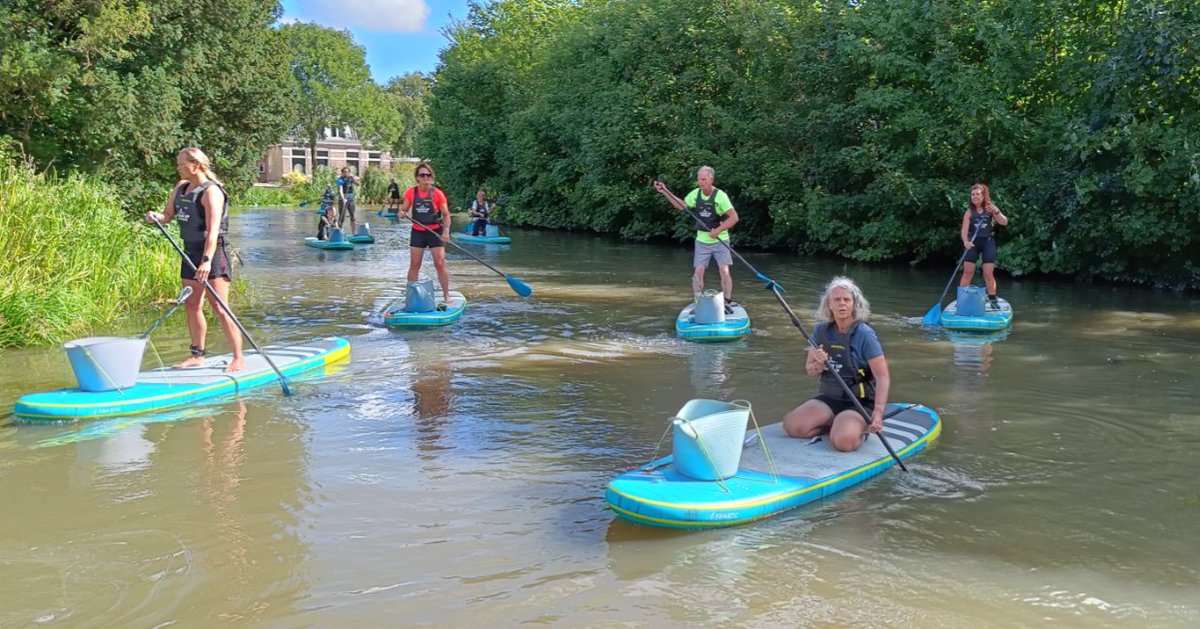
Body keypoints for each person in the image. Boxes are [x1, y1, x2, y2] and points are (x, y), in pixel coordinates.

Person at [144, 147, 244, 372]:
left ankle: (238, 357)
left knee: (219, 306)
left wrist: (207, 261)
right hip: (189, 252)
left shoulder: (212, 192)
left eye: (181, 164)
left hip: (213, 253)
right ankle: (197, 355)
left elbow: (213, 230)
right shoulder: (180, 188)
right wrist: (156, 217)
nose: (177, 168)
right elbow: (168, 215)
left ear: (195, 165)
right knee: (192, 304)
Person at [782, 277, 890, 452]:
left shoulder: (865, 334)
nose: (842, 304)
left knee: (843, 442)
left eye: (847, 300)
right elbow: (811, 372)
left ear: (854, 305)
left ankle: (853, 428)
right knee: (793, 426)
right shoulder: (820, 331)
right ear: (829, 305)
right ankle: (833, 423)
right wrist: (818, 363)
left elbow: (882, 376)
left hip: (858, 402)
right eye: (837, 299)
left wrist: (878, 413)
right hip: (829, 397)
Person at [653, 166, 740, 314]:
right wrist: (665, 191)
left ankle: (727, 302)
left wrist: (717, 230)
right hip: (702, 241)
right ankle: (698, 301)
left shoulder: (720, 196)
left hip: (721, 240)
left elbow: (734, 218)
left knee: (724, 270)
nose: (701, 182)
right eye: (699, 179)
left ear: (711, 180)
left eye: (704, 179)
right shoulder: (696, 194)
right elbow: (681, 205)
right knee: (698, 272)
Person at [398, 162, 452, 308]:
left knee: (439, 264)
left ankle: (447, 295)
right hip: (418, 232)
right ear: (417, 177)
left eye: (428, 175)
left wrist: (446, 231)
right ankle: (410, 297)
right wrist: (401, 213)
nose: (426, 177)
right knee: (415, 264)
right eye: (422, 175)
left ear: (431, 177)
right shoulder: (411, 192)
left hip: (435, 231)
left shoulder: (437, 194)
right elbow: (403, 210)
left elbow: (446, 215)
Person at [959, 183, 1009, 306]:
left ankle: (992, 299)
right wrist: (966, 242)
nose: (975, 196)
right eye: (973, 194)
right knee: (967, 272)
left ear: (983, 195)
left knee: (988, 273)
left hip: (988, 242)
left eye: (978, 194)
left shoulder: (991, 209)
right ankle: (961, 299)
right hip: (973, 244)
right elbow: (964, 231)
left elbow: (1004, 222)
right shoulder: (969, 212)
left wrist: (996, 211)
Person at [335, 166, 361, 234]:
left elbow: (358, 184)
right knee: (342, 217)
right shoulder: (340, 180)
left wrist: (354, 178)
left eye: (347, 172)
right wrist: (343, 199)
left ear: (349, 173)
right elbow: (340, 190)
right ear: (342, 173)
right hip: (342, 200)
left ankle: (354, 233)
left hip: (350, 199)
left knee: (353, 216)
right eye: (344, 172)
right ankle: (339, 232)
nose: (346, 173)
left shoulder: (351, 178)